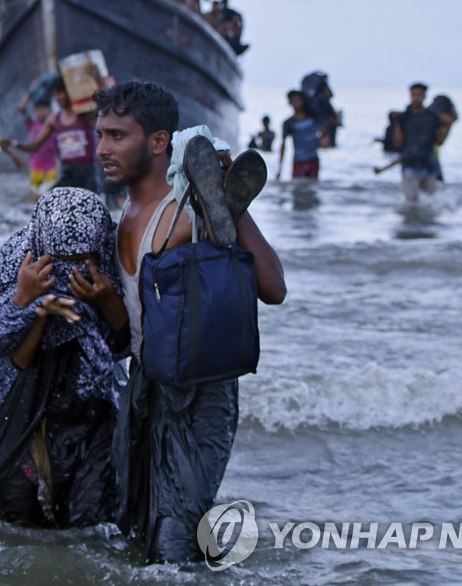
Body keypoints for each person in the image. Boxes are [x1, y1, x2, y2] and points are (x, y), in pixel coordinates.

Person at [94, 80, 285, 564]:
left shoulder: (189, 215)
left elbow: (274, 288)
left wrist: (226, 207)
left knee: (175, 543)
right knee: (136, 529)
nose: (102, 149)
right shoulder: (123, 214)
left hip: (202, 394)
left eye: (117, 136)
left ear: (158, 142)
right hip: (146, 385)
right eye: (100, 135)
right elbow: (133, 327)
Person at [0, 187, 129, 527]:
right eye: (62, 262)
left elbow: (127, 346)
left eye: (81, 262)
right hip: (25, 402)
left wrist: (107, 302)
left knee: (92, 518)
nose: (71, 272)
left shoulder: (110, 259)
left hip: (93, 404)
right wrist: (26, 301)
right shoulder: (19, 258)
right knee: (20, 516)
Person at [16, 82, 98, 192]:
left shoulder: (85, 115)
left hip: (88, 171)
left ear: (70, 93)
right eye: (56, 94)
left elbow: (102, 106)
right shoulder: (53, 120)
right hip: (67, 171)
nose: (59, 97)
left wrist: (96, 77)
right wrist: (14, 144)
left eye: (61, 93)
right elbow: (35, 146)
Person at [392, 82, 445, 203]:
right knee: (411, 201)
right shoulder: (404, 118)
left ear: (424, 96)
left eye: (419, 95)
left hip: (428, 163)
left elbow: (439, 141)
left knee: (430, 201)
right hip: (409, 164)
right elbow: (398, 143)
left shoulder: (432, 117)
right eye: (414, 95)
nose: (416, 98)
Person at [17, 93, 58, 195]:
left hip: (51, 169)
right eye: (38, 110)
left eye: (43, 109)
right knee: (35, 197)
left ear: (48, 111)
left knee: (52, 195)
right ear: (35, 112)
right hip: (35, 169)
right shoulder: (32, 125)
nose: (41, 112)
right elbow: (21, 108)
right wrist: (30, 92)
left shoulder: (53, 126)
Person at [276, 90, 321, 180]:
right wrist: (280, 168)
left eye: (298, 100)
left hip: (313, 159)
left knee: (313, 187)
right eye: (294, 100)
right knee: (298, 188)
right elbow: (283, 145)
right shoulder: (289, 123)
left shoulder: (313, 118)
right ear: (290, 103)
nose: (297, 103)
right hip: (299, 161)